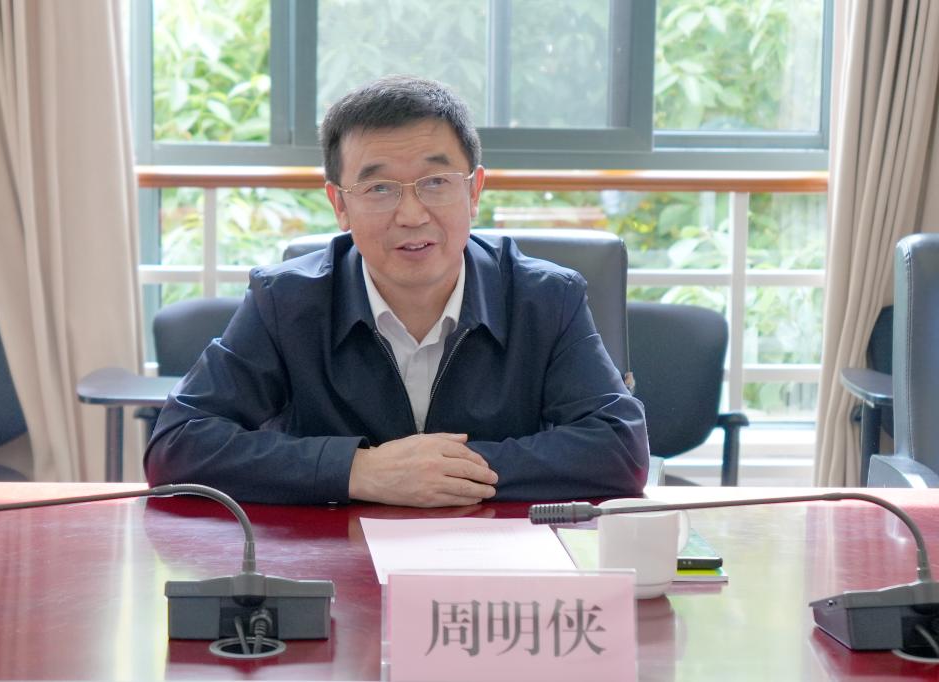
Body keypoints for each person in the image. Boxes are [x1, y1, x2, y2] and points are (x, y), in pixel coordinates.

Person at [144, 75, 649, 506]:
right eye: (379, 188)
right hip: (336, 561)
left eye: (436, 182)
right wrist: (358, 471)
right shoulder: (285, 302)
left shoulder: (546, 299)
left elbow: (619, 449)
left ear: (473, 191)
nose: (411, 215)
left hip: (498, 565)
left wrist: (443, 472)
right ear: (340, 205)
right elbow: (176, 444)